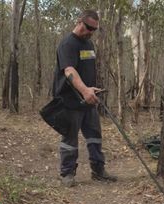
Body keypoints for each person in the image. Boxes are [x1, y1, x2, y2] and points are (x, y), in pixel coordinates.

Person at [52, 9, 117, 187]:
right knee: (70, 138)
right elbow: (69, 71)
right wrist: (84, 90)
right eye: (89, 27)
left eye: (94, 29)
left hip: (89, 100)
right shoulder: (67, 44)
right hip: (70, 100)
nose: (91, 32)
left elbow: (88, 69)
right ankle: (67, 173)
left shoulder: (89, 45)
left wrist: (92, 90)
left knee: (95, 135)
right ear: (79, 21)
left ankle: (98, 170)